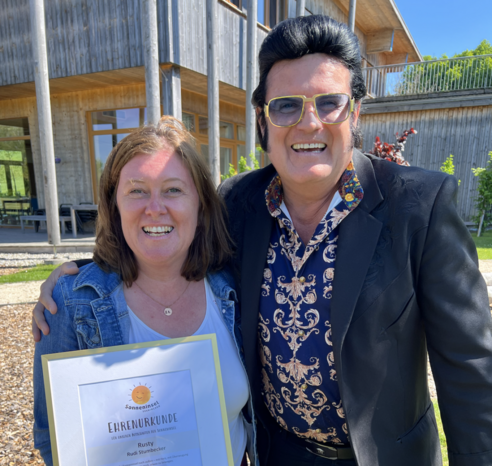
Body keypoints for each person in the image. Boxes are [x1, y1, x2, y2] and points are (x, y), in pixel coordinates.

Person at [33, 15, 492, 466]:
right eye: (286, 105)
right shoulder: (239, 204)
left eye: (329, 103)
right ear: (262, 120)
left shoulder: (420, 207)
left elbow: (470, 368)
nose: (308, 123)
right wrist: (77, 279)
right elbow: (166, 240)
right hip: (278, 455)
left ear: (354, 112)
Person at [33, 117, 255, 466]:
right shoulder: (71, 303)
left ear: (200, 205)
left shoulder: (235, 288)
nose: (154, 208)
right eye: (136, 191)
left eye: (173, 190)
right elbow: (54, 437)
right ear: (115, 205)